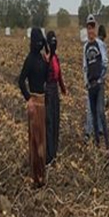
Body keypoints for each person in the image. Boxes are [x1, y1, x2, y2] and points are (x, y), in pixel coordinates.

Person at [19, 27, 50, 187]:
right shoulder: (30, 59)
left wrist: (47, 51)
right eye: (37, 41)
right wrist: (28, 99)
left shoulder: (42, 58)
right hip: (34, 103)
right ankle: (35, 176)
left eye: (41, 41)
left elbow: (47, 76)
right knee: (35, 141)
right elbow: (20, 80)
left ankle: (41, 175)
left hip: (43, 102)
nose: (39, 43)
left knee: (42, 141)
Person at [83, 15, 109, 151]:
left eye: (92, 27)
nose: (90, 30)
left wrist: (101, 78)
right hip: (90, 84)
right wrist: (86, 81)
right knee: (92, 112)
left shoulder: (100, 44)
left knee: (100, 111)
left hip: (99, 84)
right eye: (88, 27)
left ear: (95, 28)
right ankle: (97, 143)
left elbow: (105, 62)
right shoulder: (86, 46)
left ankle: (107, 143)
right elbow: (85, 66)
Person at [45, 31, 67, 166]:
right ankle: (49, 156)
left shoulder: (55, 58)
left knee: (55, 121)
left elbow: (59, 75)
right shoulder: (45, 58)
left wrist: (63, 88)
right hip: (47, 91)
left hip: (55, 92)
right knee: (49, 123)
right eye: (51, 42)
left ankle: (54, 153)